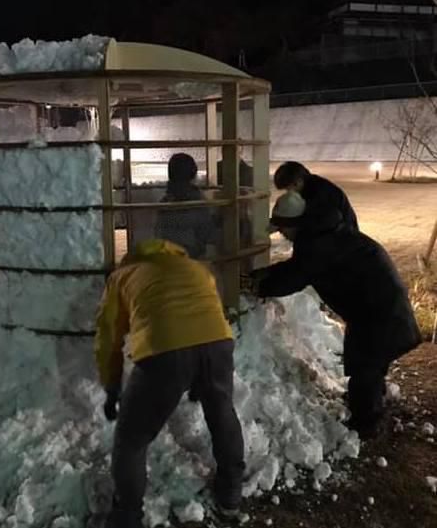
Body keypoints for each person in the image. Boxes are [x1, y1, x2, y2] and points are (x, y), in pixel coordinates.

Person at [95, 239, 245, 528]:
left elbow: (108, 338)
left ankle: (127, 515)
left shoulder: (121, 276)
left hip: (164, 351)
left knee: (131, 440)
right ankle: (231, 493)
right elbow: (206, 309)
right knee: (222, 412)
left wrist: (112, 386)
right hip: (218, 342)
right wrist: (201, 377)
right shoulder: (195, 268)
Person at [250, 192, 421, 438]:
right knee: (371, 359)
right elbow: (298, 266)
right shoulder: (323, 231)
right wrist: (265, 272)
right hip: (378, 304)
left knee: (365, 364)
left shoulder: (317, 242)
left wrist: (260, 287)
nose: (281, 235)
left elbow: (297, 275)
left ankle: (366, 424)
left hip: (378, 309)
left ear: (292, 225)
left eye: (281, 229)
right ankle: (371, 401)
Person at [155, 153, 214, 258]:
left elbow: (159, 234)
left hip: (166, 260)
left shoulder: (164, 204)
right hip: (192, 262)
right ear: (193, 174)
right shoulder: (199, 202)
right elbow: (206, 234)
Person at [274, 161, 359, 232]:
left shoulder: (318, 191)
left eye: (288, 189)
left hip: (343, 236)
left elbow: (314, 221)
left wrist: (281, 222)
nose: (289, 193)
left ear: (297, 182)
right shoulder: (312, 185)